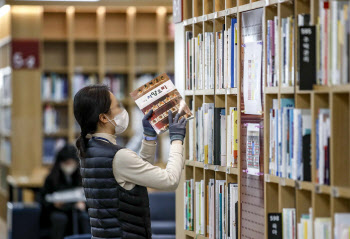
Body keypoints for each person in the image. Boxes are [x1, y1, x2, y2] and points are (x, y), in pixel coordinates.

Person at [73, 84, 187, 239]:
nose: (122, 110)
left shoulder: (90, 149)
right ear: (103, 118)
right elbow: (170, 180)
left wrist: (149, 137)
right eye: (117, 106)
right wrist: (176, 140)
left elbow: (136, 175)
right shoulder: (118, 156)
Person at [40, 144, 90, 239]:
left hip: (77, 210)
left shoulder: (82, 177)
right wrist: (54, 205)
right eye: (66, 163)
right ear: (60, 163)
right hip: (58, 211)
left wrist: (83, 204)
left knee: (83, 217)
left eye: (71, 163)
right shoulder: (51, 178)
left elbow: (89, 198)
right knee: (59, 219)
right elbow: (43, 199)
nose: (69, 166)